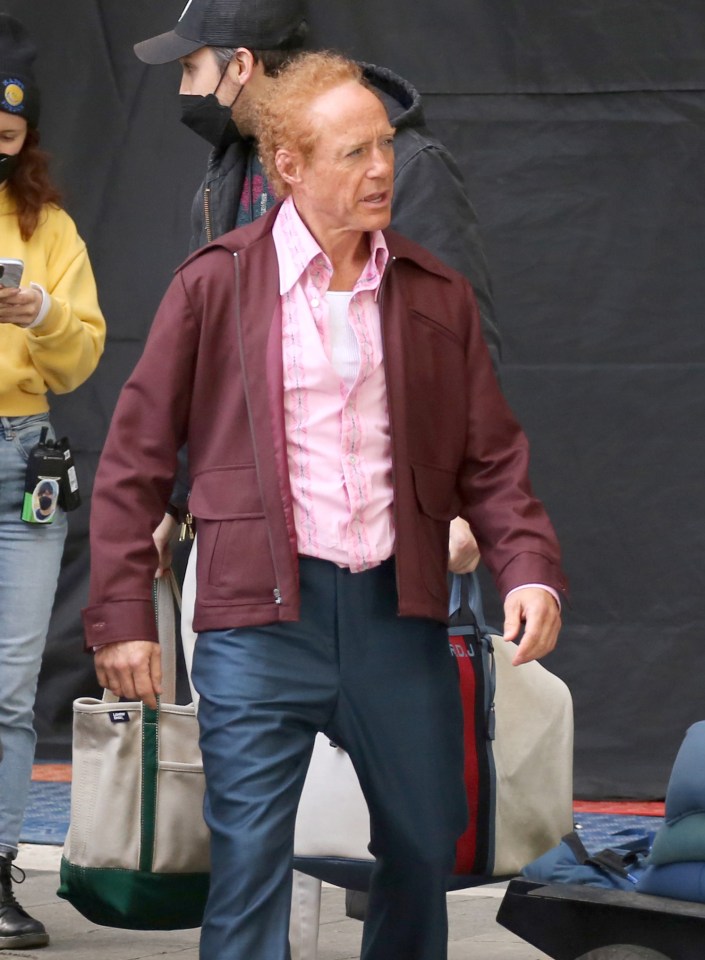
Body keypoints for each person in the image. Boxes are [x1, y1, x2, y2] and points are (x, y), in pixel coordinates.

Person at [83, 51, 566, 960]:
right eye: (353, 153)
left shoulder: (435, 295)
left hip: (397, 614)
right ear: (289, 167)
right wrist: (120, 617)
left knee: (425, 845)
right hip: (257, 618)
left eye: (384, 147)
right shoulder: (214, 284)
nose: (380, 168)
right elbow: (133, 460)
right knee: (250, 864)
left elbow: (493, 456)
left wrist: (528, 565)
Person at [0, 13, 106, 950]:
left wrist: (38, 311)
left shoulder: (50, 227)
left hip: (18, 467)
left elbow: (80, 360)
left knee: (9, 686)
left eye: (13, 127)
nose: (3, 138)